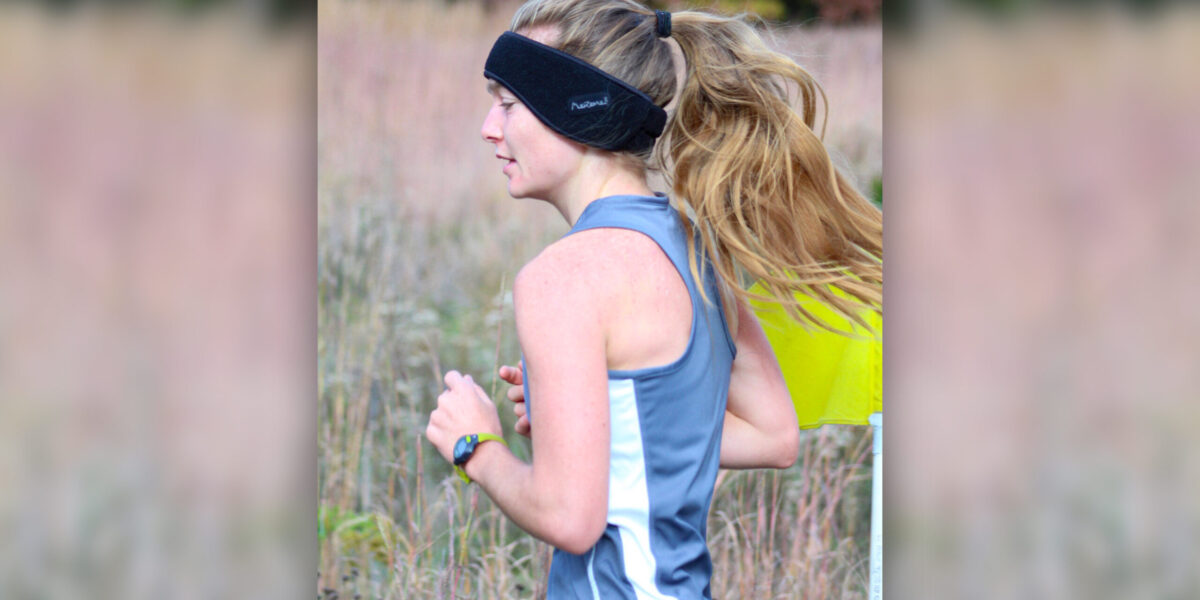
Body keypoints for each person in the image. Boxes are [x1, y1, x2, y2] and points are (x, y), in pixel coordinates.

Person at [425, 1, 883, 597]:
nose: (490, 127)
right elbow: (776, 436)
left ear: (577, 108)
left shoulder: (562, 278)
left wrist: (475, 445)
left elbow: (570, 519)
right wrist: (591, 424)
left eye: (508, 104)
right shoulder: (698, 250)